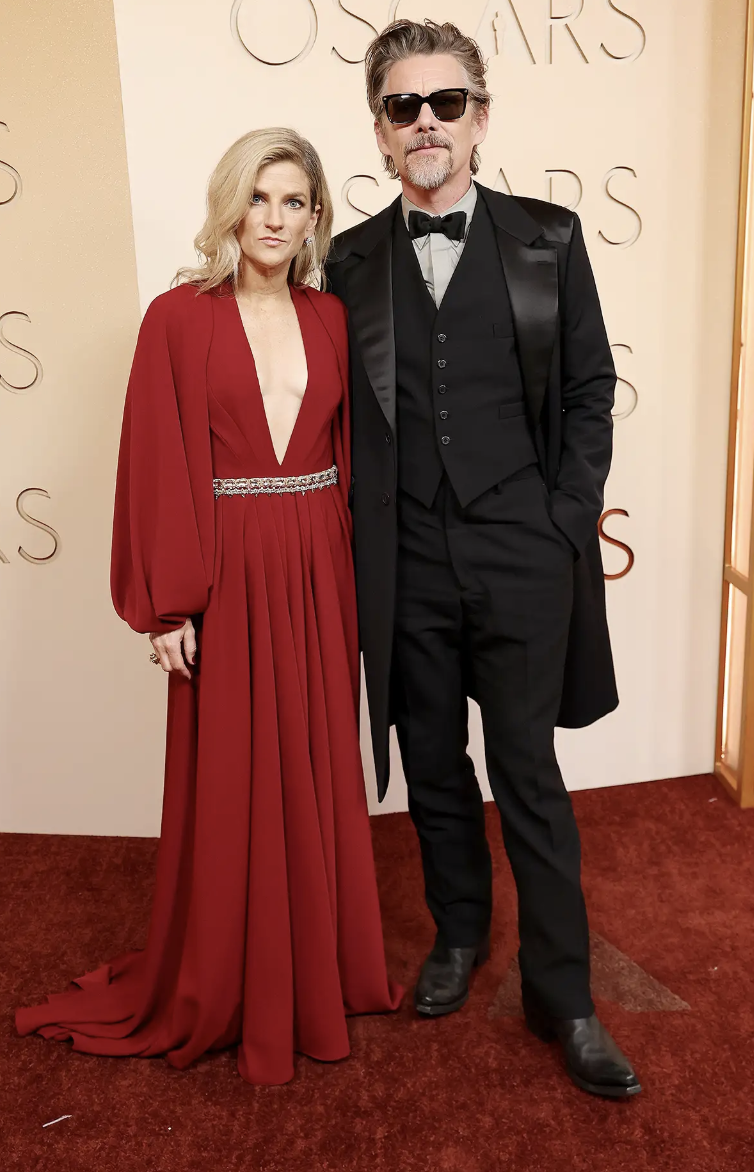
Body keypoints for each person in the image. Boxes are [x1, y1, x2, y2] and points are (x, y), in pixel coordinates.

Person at [16, 128, 402, 1086]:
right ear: (230, 205)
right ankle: (228, 975)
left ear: (315, 217)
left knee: (315, 758)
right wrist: (166, 608)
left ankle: (317, 966)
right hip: (227, 571)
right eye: (258, 198)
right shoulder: (177, 318)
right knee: (232, 772)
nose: (274, 218)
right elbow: (155, 460)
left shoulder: (330, 317)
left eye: (294, 201)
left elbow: (353, 457)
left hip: (319, 567)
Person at [325, 19, 640, 1098]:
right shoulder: (345, 261)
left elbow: (589, 387)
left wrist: (563, 518)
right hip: (404, 557)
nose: (426, 122)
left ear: (480, 117)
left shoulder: (550, 237)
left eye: (445, 102)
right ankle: (458, 934)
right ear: (380, 131)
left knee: (527, 772)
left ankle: (567, 995)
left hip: (523, 550)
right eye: (403, 106)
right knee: (434, 765)